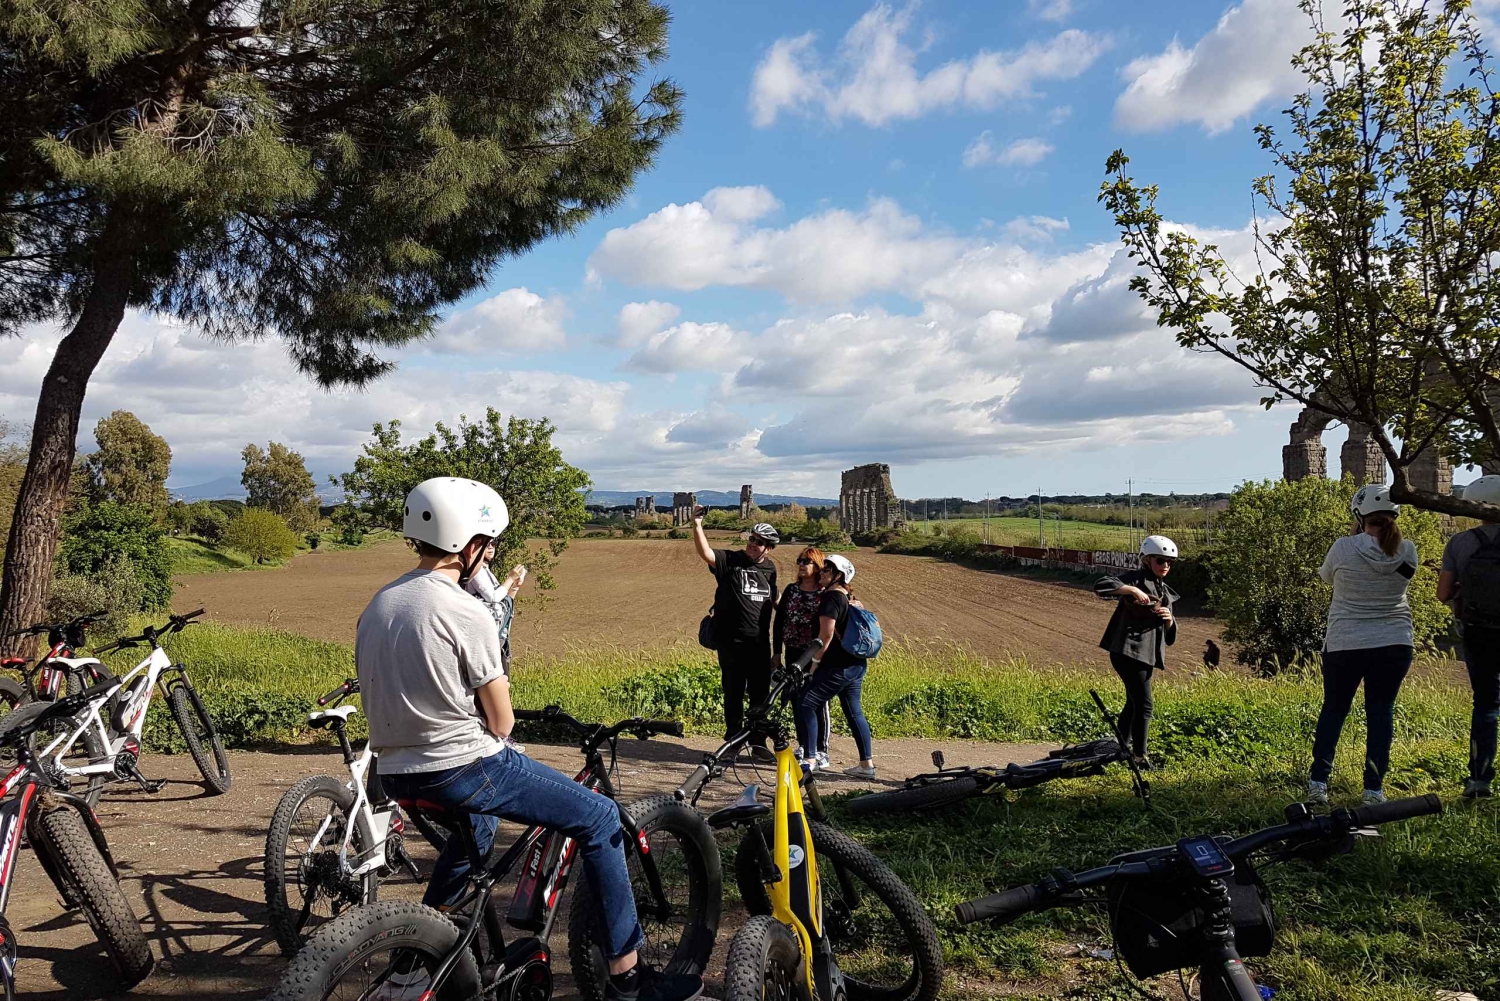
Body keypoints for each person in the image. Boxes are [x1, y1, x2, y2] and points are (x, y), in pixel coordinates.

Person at [359, 477, 699, 1001]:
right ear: (467, 543)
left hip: (397, 771)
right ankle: (629, 976)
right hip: (463, 765)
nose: (491, 554)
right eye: (488, 543)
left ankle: (415, 960)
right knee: (599, 816)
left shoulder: (380, 603)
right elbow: (501, 722)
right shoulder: (463, 609)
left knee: (477, 829)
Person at [1308, 484, 1419, 806]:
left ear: (1359, 515)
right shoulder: (1407, 549)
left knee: (1334, 709)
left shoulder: (1343, 547)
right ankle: (1373, 790)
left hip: (1346, 641)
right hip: (1395, 640)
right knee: (1381, 712)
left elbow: (1327, 578)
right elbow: (1404, 574)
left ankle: (1319, 783)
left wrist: (1353, 537)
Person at [691, 510, 778, 741]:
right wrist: (697, 524)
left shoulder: (770, 569)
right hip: (731, 643)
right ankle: (733, 740)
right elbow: (706, 553)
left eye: (759, 542)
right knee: (733, 693)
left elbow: (775, 598)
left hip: (759, 644)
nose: (752, 544)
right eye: (751, 538)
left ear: (769, 548)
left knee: (760, 695)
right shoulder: (731, 560)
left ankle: (758, 742)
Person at [1438, 474, 1500, 798]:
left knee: (1486, 704)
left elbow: (1442, 593)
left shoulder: (1460, 542)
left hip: (1479, 632)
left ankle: (1479, 780)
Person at [1094, 535, 1179, 770]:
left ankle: (1118, 751)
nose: (1165, 565)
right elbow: (1101, 585)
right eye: (1160, 560)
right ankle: (1140, 758)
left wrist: (1170, 620)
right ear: (1147, 560)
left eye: (1169, 562)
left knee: (1133, 704)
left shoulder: (1164, 590)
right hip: (1127, 651)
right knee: (1145, 705)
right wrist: (1130, 590)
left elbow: (1170, 637)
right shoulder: (1136, 579)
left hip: (1147, 654)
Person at [796, 554, 876, 779]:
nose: (821, 572)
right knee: (854, 711)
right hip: (856, 664)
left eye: (827, 570)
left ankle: (810, 759)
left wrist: (814, 664)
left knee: (807, 702)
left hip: (838, 666)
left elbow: (826, 635)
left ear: (839, 575)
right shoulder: (848, 596)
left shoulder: (832, 597)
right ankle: (866, 765)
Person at [465, 540, 528, 753]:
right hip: (485, 637)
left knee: (502, 682)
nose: (491, 547)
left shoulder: (484, 570)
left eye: (493, 543)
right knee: (494, 685)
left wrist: (514, 585)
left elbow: (504, 602)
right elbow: (493, 597)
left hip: (496, 636)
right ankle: (499, 734)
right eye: (486, 543)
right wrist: (510, 578)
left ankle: (500, 735)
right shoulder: (475, 572)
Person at [773, 547, 830, 769]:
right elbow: (779, 622)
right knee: (796, 699)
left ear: (817, 565)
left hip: (816, 655)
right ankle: (805, 745)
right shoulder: (791, 590)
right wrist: (776, 652)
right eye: (800, 561)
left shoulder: (826, 593)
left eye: (807, 561)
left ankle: (821, 750)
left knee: (816, 701)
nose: (801, 565)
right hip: (793, 652)